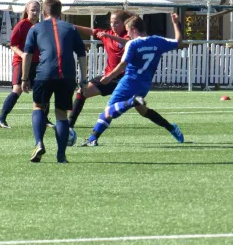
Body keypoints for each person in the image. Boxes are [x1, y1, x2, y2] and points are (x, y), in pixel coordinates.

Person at [70, 11, 180, 145]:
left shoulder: (132, 44)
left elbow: (123, 64)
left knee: (108, 111)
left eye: (128, 30)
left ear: (133, 29)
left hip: (128, 81)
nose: (128, 34)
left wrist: (109, 77)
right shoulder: (157, 41)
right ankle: (171, 128)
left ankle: (94, 137)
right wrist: (175, 24)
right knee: (144, 111)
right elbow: (178, 41)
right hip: (144, 85)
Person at [22, 0, 88, 164]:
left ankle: (39, 143)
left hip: (44, 74)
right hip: (67, 76)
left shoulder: (35, 28)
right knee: (61, 114)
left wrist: (24, 78)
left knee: (38, 107)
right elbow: (81, 55)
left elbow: (27, 55)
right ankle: (61, 155)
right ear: (60, 13)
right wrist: (84, 79)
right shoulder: (71, 28)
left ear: (44, 13)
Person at [0, 0, 42, 129]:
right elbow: (13, 45)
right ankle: (1, 118)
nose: (35, 12)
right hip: (21, 62)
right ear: (27, 10)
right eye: (33, 10)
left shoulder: (40, 26)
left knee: (43, 89)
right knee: (17, 89)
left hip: (37, 63)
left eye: (37, 10)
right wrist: (22, 55)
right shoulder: (21, 25)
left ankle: (44, 119)